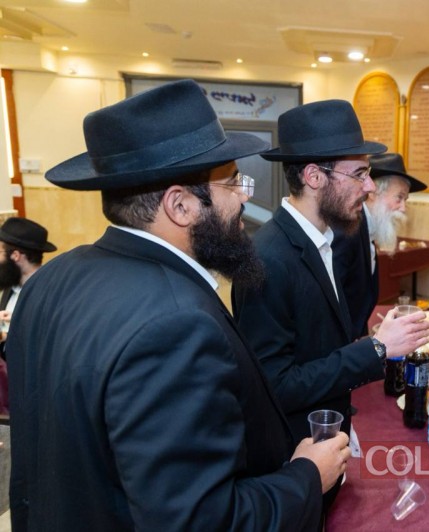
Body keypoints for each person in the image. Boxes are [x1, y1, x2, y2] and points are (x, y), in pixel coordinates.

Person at [6, 80, 347, 531]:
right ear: (180, 205)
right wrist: (307, 475)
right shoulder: (178, 325)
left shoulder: (50, 279)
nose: (244, 195)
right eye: (232, 182)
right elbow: (202, 521)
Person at [232, 100, 429, 469]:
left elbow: (320, 349)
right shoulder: (268, 259)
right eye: (359, 173)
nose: (369, 186)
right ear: (314, 177)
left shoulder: (322, 240)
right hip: (293, 459)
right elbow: (274, 386)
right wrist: (376, 349)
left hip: (324, 441)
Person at [332, 152, 427, 339]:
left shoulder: (368, 230)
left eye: (405, 200)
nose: (403, 208)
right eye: (399, 198)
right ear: (373, 193)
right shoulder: (347, 232)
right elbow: (333, 304)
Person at [0, 217, 57, 415]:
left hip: (41, 399)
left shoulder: (53, 292)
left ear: (16, 255)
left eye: (0, 252)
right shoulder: (9, 286)